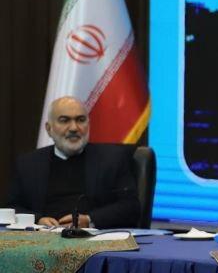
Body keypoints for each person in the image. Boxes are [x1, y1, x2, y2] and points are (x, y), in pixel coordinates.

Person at [6, 95, 140, 229]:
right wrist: (38, 220)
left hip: (94, 237)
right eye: (64, 120)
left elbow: (131, 206)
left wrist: (89, 220)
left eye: (80, 120)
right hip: (43, 236)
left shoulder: (112, 159)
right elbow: (12, 208)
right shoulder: (28, 164)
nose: (74, 128)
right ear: (49, 129)